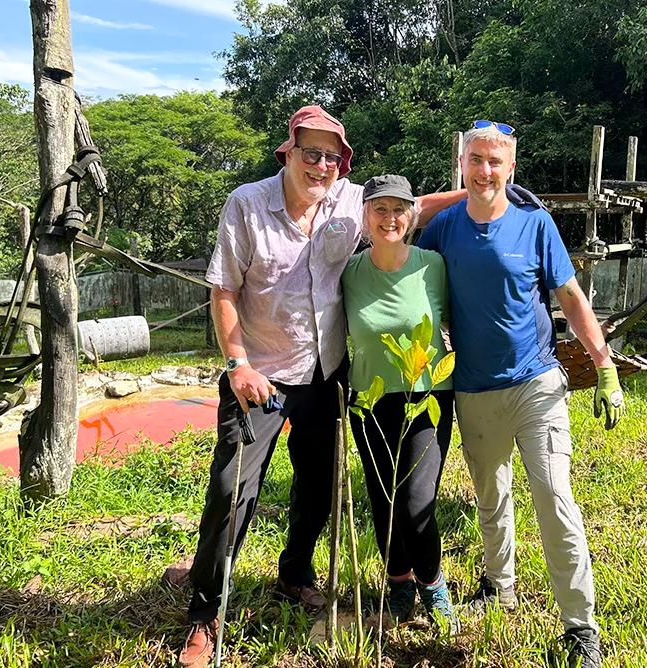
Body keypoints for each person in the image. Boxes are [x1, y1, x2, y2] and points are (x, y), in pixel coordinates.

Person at [177, 106, 463, 668]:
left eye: (333, 157)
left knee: (317, 487)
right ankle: (205, 614)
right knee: (234, 488)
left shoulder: (349, 202)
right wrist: (238, 363)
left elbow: (409, 208)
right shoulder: (247, 205)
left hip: (325, 374)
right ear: (288, 151)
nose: (322, 165)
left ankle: (295, 574)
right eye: (311, 153)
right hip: (259, 375)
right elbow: (224, 290)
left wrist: (488, 191)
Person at [417, 120, 626, 668]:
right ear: (462, 165)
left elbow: (571, 296)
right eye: (476, 159)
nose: (486, 170)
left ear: (512, 168)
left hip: (537, 383)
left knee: (555, 500)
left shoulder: (536, 224)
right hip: (474, 390)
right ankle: (498, 584)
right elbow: (393, 221)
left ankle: (581, 627)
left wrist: (603, 364)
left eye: (496, 162)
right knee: (491, 496)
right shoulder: (443, 229)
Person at [341, 175, 454, 626]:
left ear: (413, 217)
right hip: (368, 402)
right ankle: (399, 582)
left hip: (427, 397)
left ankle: (433, 583)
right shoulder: (348, 273)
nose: (390, 218)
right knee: (382, 499)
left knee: (414, 500)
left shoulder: (433, 266)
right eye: (379, 209)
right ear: (365, 217)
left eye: (399, 210)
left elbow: (462, 322)